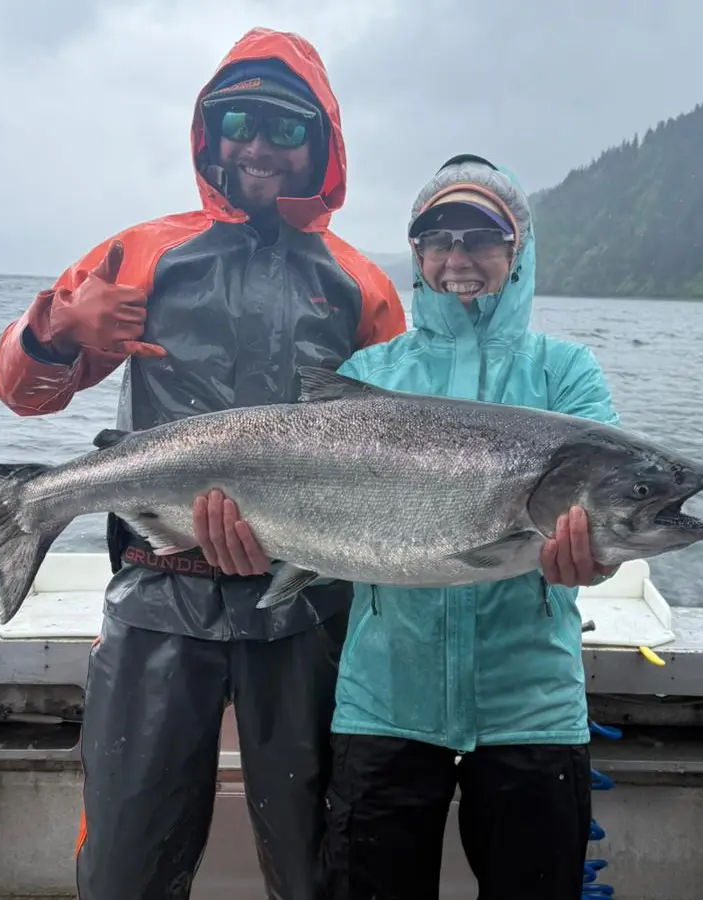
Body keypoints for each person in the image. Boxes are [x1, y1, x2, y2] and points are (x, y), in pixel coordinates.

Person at [0, 28, 406, 900]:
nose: (258, 146)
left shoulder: (361, 285)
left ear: (320, 146)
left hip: (306, 605)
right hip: (155, 593)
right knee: (124, 867)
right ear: (209, 132)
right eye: (240, 122)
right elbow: (21, 392)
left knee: (319, 862)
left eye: (286, 129)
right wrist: (55, 332)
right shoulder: (140, 253)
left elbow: (403, 449)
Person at [195, 153, 621, 900]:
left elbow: (609, 509)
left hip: (533, 705)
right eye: (437, 238)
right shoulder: (374, 375)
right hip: (386, 698)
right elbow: (305, 508)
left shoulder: (566, 374)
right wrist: (254, 536)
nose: (458, 258)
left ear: (516, 251)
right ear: (418, 255)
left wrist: (598, 559)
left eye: (480, 237)